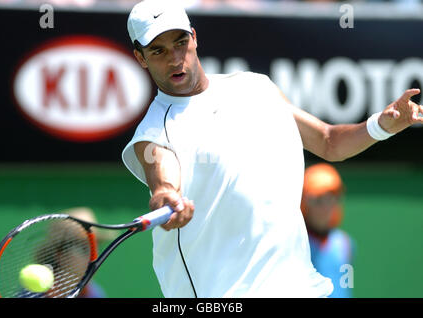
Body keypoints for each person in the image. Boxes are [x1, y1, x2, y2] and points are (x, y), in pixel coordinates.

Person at [121, 0, 423, 297]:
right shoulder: (153, 134)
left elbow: (329, 142)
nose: (175, 59)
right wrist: (166, 196)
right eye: (158, 51)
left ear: (194, 37)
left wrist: (381, 126)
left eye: (180, 42)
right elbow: (162, 178)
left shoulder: (256, 87)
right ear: (141, 57)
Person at [301, 163, 355, 298]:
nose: (326, 207)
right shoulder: (296, 243)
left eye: (331, 199)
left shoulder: (345, 243)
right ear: (304, 202)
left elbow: (346, 288)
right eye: (319, 200)